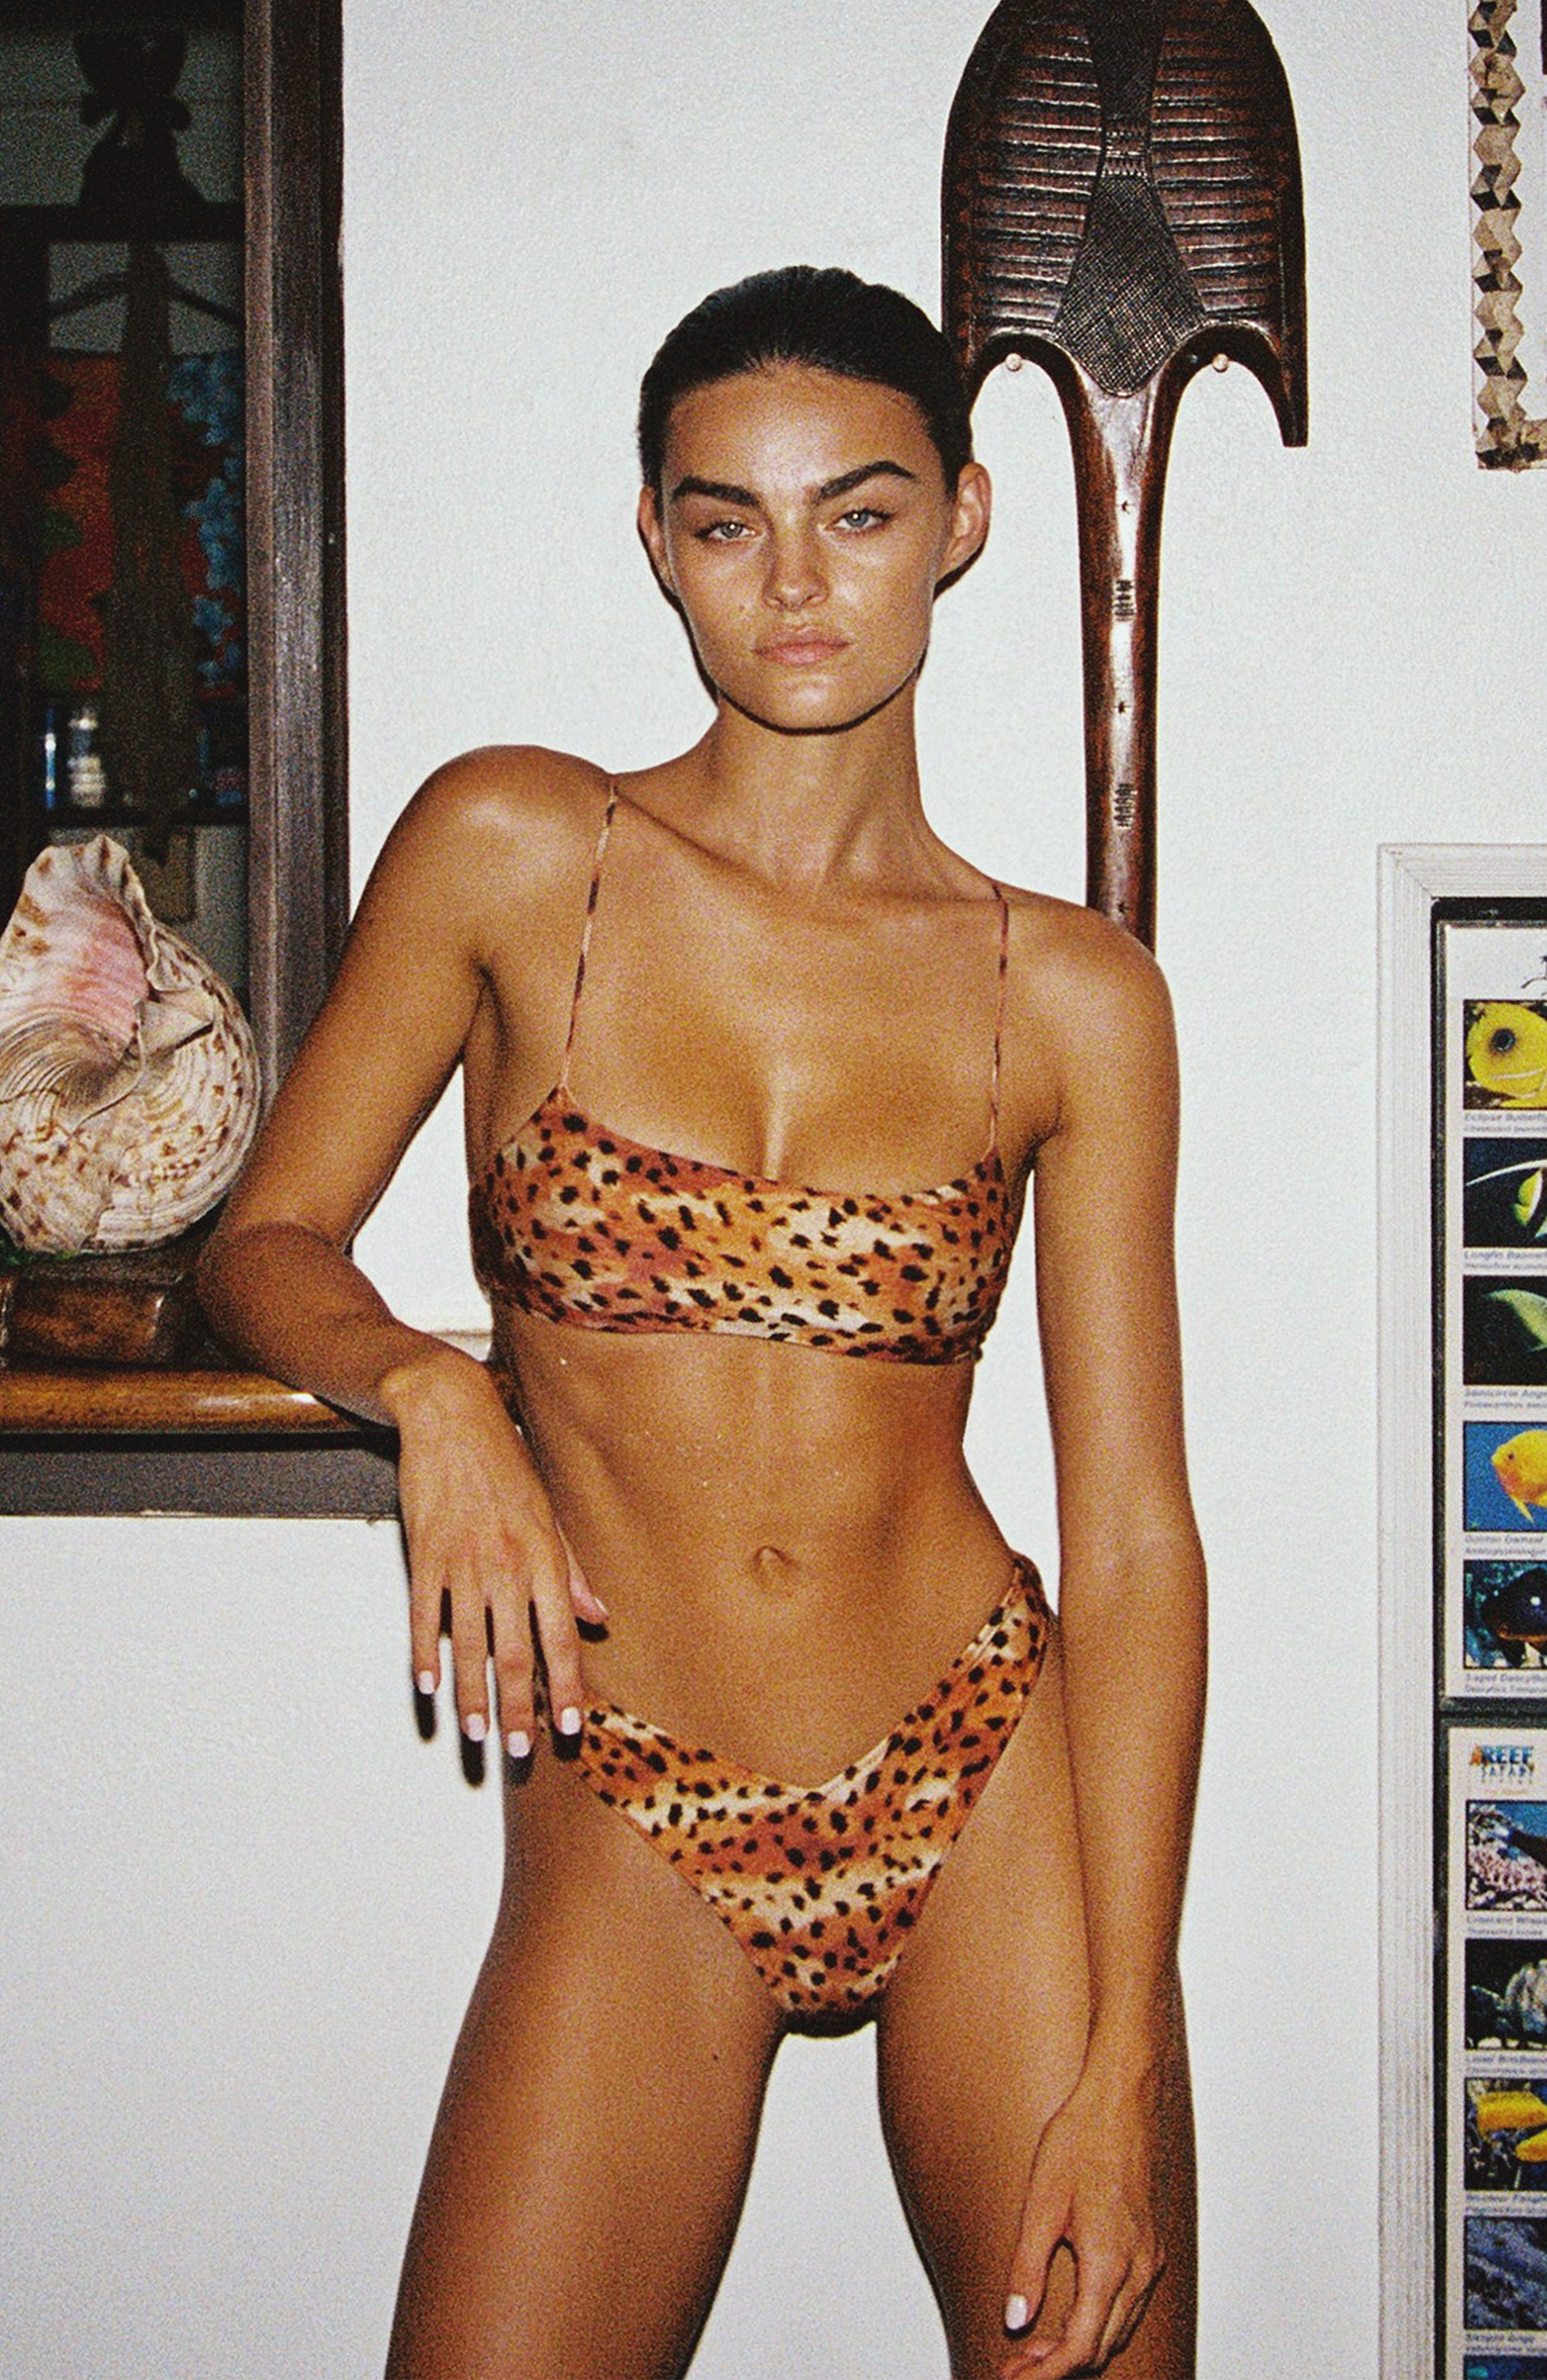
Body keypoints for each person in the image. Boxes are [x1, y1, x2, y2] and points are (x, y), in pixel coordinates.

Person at [199, 265, 1205, 2380]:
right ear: (655, 539)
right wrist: (433, 1391)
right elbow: (270, 1236)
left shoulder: (1079, 998)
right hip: (633, 1788)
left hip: (982, 1768)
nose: (797, 584)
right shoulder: (513, 845)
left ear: (966, 518)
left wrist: (1122, 2055)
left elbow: (1130, 1541)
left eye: (857, 510)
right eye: (728, 521)